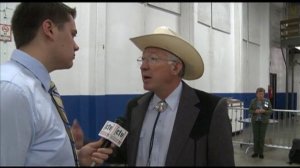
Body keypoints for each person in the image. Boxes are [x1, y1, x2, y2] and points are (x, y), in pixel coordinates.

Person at [0, 3, 112, 166]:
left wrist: (76, 159)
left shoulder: (36, 86)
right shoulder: (13, 89)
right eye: (72, 34)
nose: (76, 46)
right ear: (49, 29)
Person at [107, 26, 235, 166]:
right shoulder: (134, 106)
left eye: (153, 59)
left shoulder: (210, 109)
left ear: (175, 67)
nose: (143, 66)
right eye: (143, 59)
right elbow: (125, 153)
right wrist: (88, 146)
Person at [249, 87, 273, 159]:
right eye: (259, 94)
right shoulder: (253, 101)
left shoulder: (266, 101)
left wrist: (264, 111)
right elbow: (249, 110)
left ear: (264, 94)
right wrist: (254, 111)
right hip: (255, 122)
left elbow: (270, 111)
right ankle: (255, 152)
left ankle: (261, 153)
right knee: (256, 137)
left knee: (261, 137)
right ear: (256, 94)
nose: (261, 95)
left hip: (263, 122)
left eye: (262, 94)